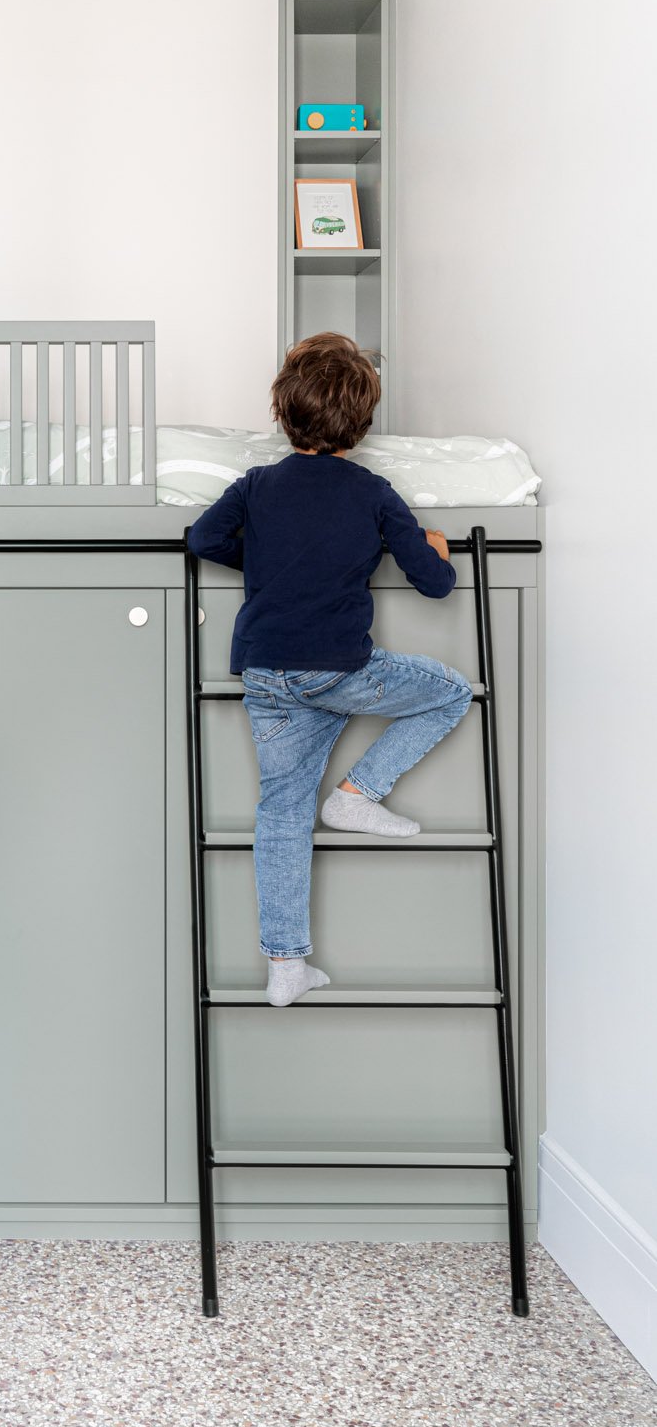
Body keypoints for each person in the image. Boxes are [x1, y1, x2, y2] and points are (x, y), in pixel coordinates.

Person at [186, 334, 472, 1006]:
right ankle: (356, 795)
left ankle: (285, 966)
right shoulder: (372, 492)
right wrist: (435, 547)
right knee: (451, 693)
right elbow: (434, 585)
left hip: (265, 673)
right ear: (361, 422)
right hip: (338, 669)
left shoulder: (256, 485)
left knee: (281, 814)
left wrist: (269, 562)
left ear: (282, 411)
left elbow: (201, 538)